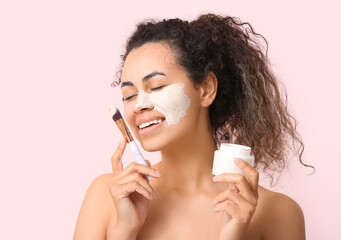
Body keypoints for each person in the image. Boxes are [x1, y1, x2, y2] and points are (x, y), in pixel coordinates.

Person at [74, 13, 309, 240]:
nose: (138, 105)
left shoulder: (276, 213)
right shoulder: (106, 197)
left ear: (206, 89)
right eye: (129, 95)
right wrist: (123, 231)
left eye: (155, 87)